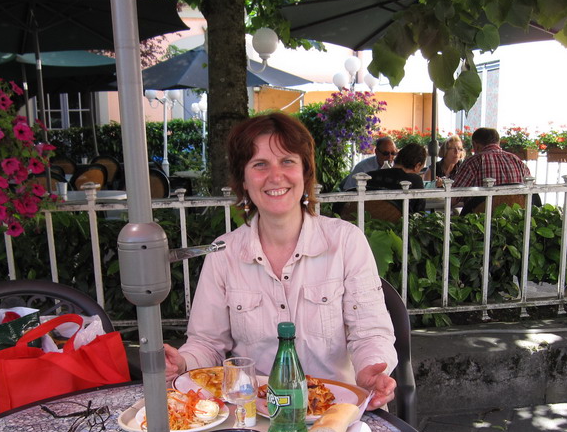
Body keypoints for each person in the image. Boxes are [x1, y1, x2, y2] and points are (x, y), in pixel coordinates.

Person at [164, 113, 397, 410]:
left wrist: (370, 370)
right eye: (260, 164)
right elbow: (207, 343)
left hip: (338, 411)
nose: (275, 176)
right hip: (257, 414)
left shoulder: (346, 242)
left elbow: (370, 332)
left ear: (305, 173)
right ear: (243, 180)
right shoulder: (224, 253)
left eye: (287, 161)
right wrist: (182, 362)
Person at [450, 127, 530, 203]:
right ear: (498, 143)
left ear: (475, 145)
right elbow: (530, 189)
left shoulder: (473, 162)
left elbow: (453, 197)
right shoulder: (517, 160)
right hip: (515, 212)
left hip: (481, 212)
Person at [365, 142, 427, 213]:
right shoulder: (415, 180)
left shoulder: (370, 176)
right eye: (421, 168)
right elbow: (419, 213)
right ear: (417, 165)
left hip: (369, 218)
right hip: (401, 219)